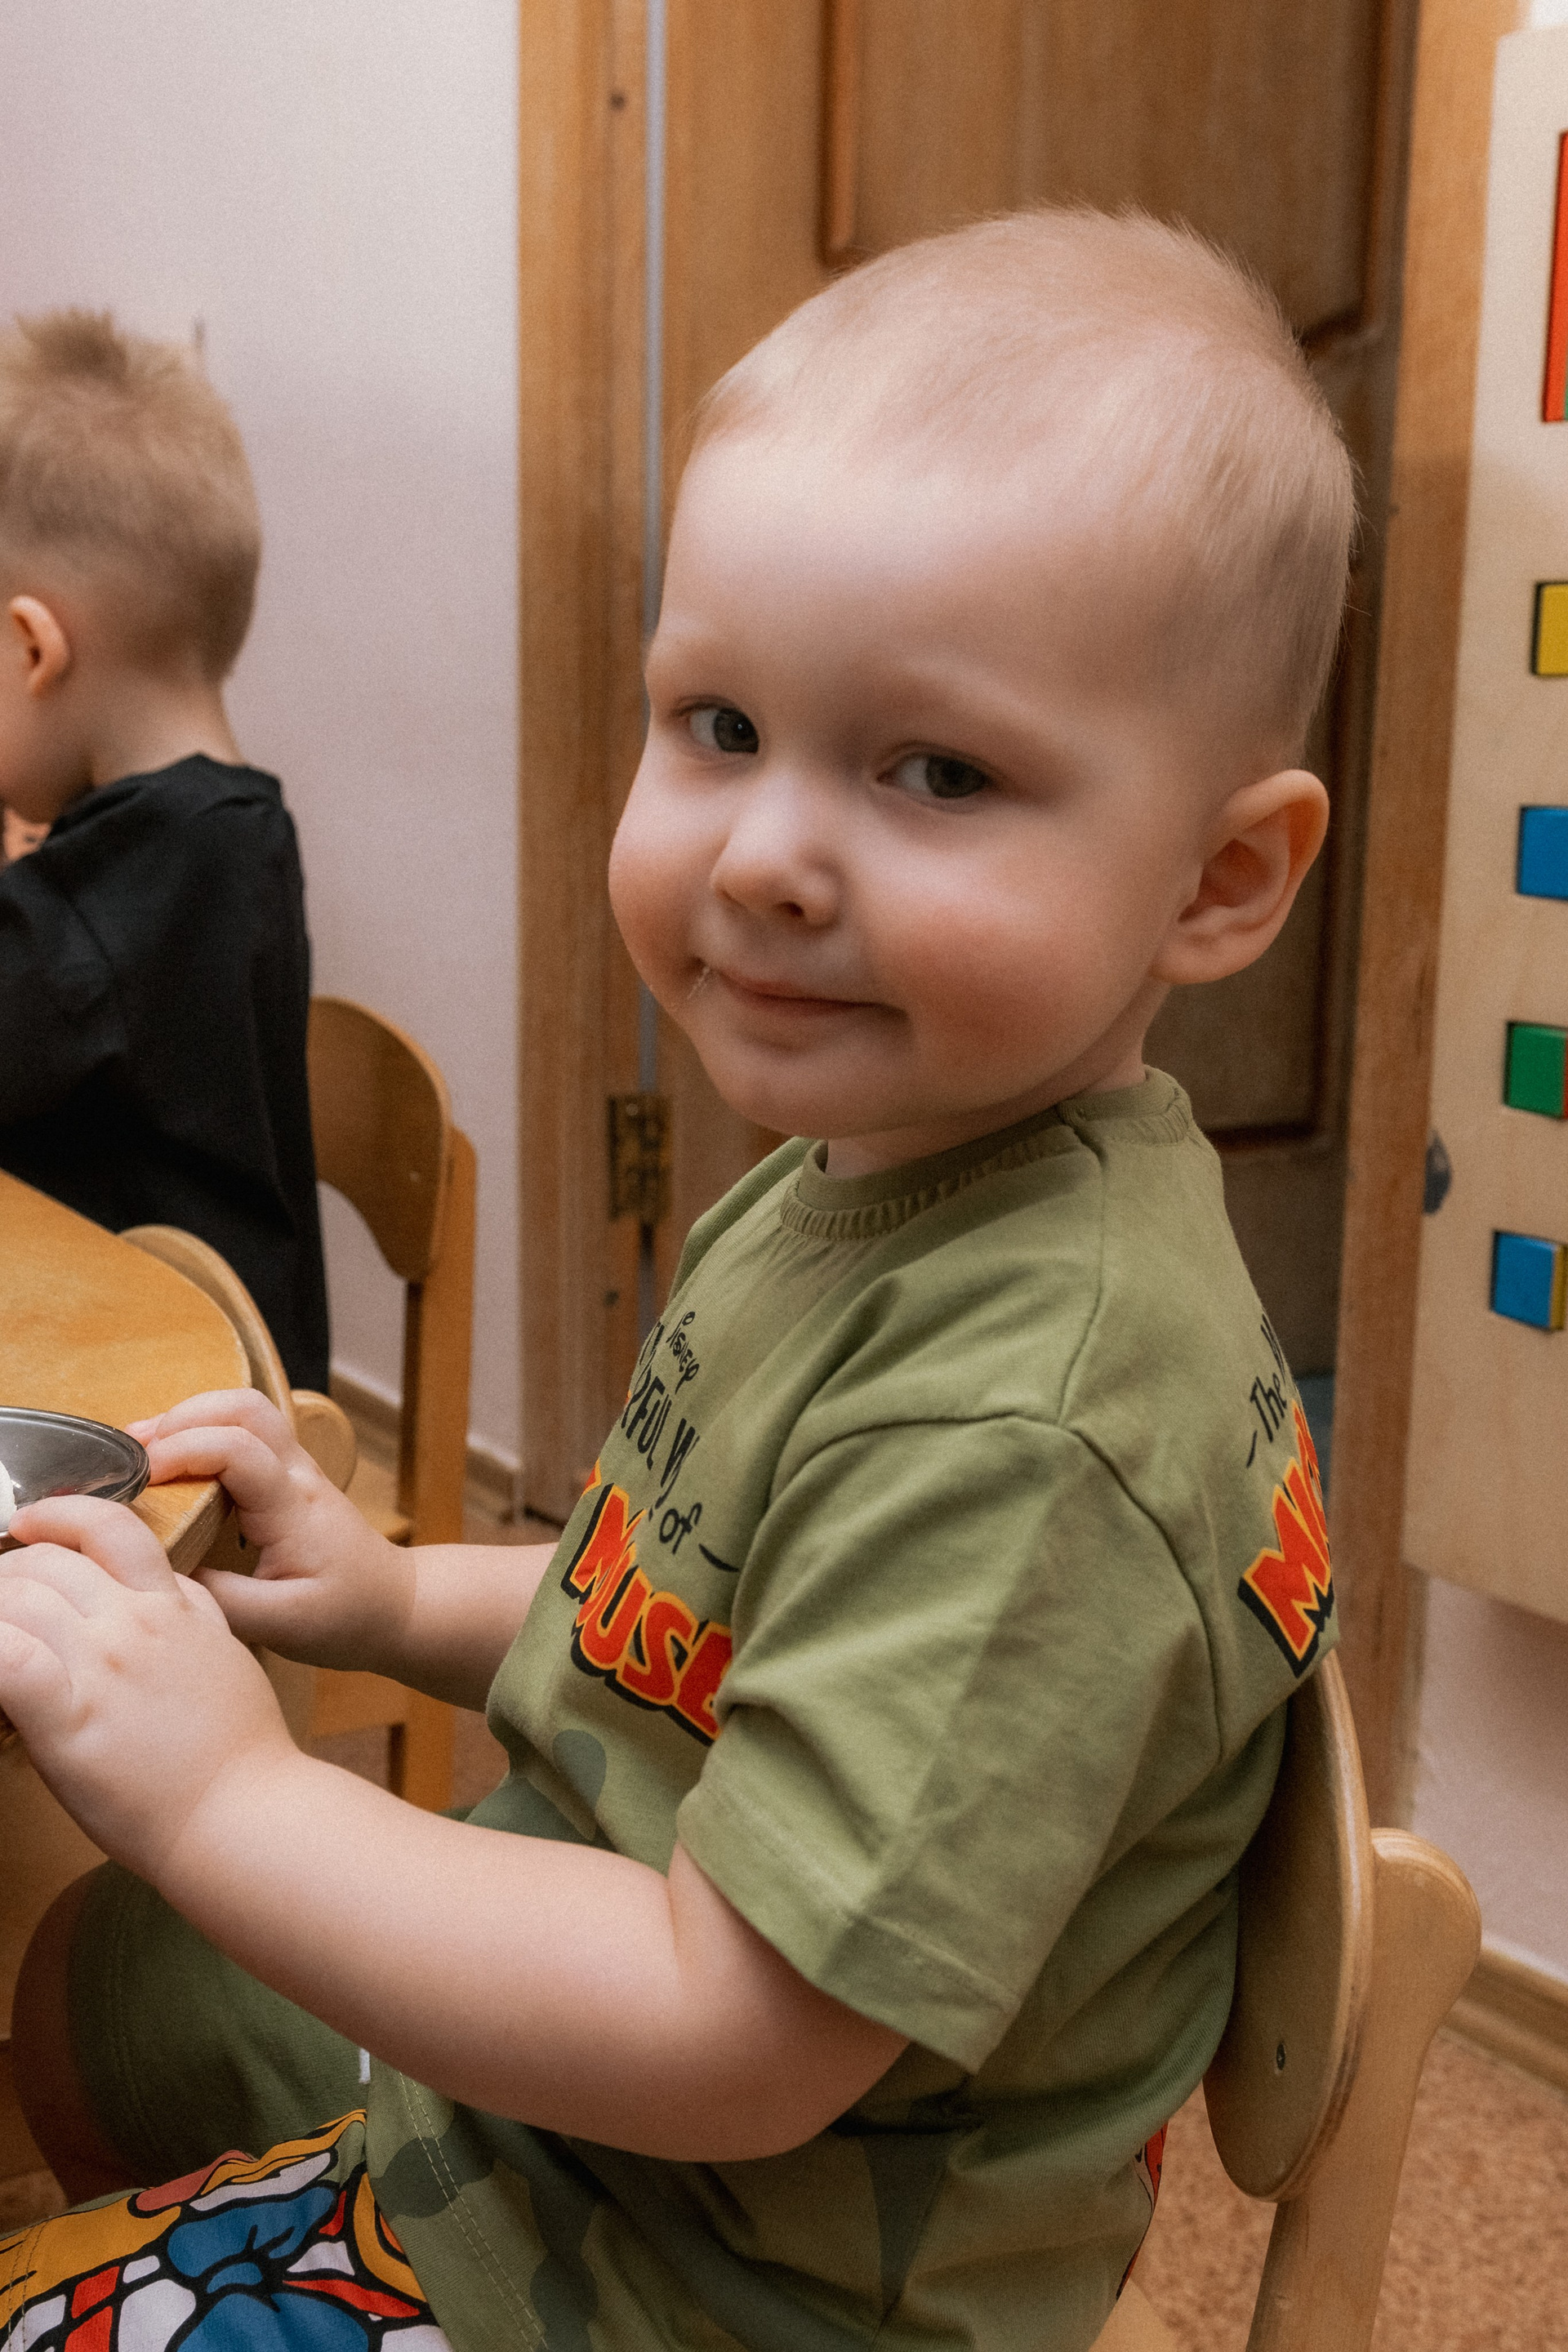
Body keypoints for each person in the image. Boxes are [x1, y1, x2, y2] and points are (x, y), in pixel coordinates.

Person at [0, 209, 1346, 2352]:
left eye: (936, 771)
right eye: (718, 722)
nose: (764, 853)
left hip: (698, 2286)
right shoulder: (868, 1182)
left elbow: (732, 2036)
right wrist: (387, 1598)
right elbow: (703, 1617)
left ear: (1222, 877)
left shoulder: (1034, 1420)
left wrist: (233, 1792)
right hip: (574, 2165)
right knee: (116, 1982)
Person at [0, 310, 328, 1390]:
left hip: (176, 1408)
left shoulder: (143, 875)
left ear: (34, 648)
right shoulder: (221, 832)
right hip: (182, 1369)